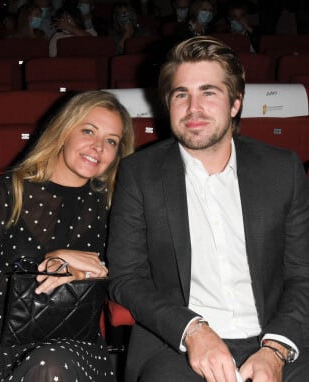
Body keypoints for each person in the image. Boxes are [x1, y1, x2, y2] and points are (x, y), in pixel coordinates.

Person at [107, 35, 309, 382]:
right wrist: (192, 330)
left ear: (235, 103)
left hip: (277, 339)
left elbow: (302, 273)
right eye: (181, 94)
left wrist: (275, 348)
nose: (193, 108)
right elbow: (126, 278)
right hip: (176, 345)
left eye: (209, 92)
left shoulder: (282, 169)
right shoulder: (139, 173)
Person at [0, 90, 135, 381]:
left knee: (51, 365)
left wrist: (94, 275)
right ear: (64, 130)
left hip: (71, 335)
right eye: (88, 130)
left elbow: (124, 282)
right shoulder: (7, 189)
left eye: (111, 141)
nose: (98, 146)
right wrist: (51, 261)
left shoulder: (114, 202)